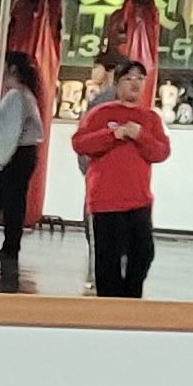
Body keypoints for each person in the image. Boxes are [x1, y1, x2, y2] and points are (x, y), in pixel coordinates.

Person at [74, 54, 170, 297]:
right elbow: (80, 143)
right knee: (108, 261)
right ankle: (110, 307)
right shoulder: (100, 113)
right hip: (105, 201)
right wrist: (112, 135)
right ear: (117, 84)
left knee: (143, 253)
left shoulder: (150, 118)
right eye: (129, 78)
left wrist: (140, 136)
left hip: (139, 200)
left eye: (140, 78)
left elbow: (161, 152)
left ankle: (131, 300)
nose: (135, 83)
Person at [0, 50, 45, 290]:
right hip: (23, 154)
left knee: (1, 202)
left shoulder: (16, 97)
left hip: (15, 155)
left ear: (12, 70)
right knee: (12, 203)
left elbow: (9, 134)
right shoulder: (24, 95)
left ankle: (1, 245)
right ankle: (9, 246)